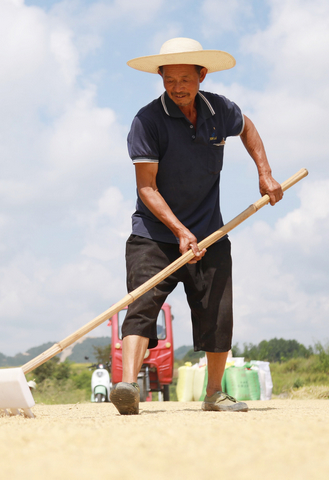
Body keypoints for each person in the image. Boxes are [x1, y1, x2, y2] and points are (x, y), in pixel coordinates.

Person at [110, 38, 283, 415]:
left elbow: (248, 128)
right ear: (161, 78)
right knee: (141, 305)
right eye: (169, 80)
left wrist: (265, 174)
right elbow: (146, 187)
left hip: (210, 232)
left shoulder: (219, 110)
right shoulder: (147, 121)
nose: (177, 87)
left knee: (217, 311)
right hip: (153, 233)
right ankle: (127, 387)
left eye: (185, 79)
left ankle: (215, 393)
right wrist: (179, 232)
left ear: (202, 75)